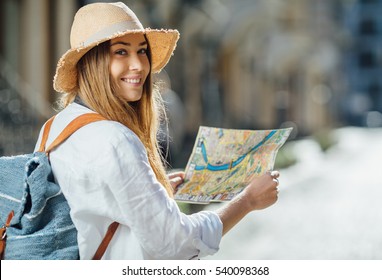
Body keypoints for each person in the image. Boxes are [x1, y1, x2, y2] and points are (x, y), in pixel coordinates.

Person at [35, 2, 280, 260]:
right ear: (92, 62)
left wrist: (153, 195)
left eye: (142, 51)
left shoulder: (53, 128)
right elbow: (174, 245)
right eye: (121, 52)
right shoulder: (116, 140)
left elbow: (90, 208)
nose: (139, 65)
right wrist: (247, 201)